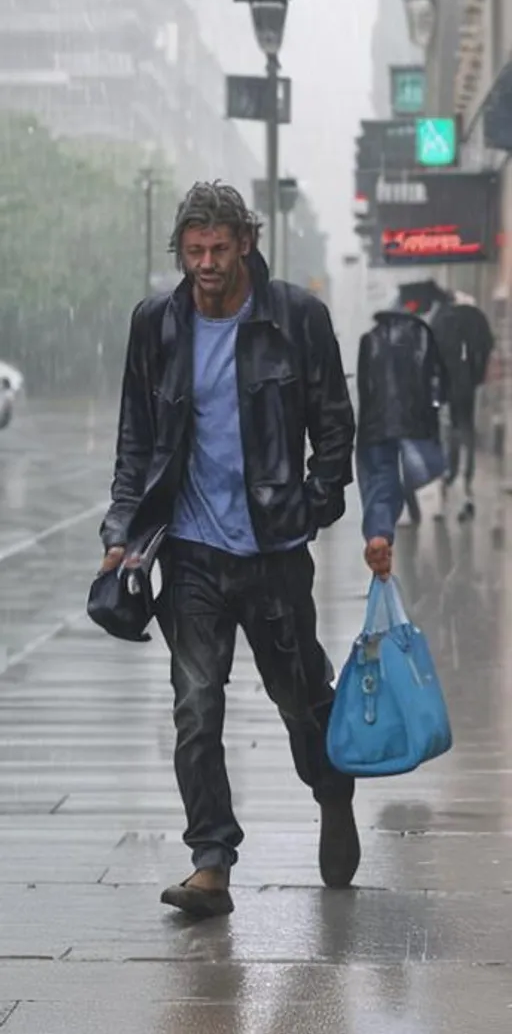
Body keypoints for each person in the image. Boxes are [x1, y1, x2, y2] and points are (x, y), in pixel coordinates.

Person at [100, 181, 357, 918]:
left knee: (301, 700)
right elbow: (136, 439)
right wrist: (122, 531)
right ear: (180, 249)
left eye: (218, 248)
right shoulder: (157, 323)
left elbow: (334, 425)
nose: (206, 263)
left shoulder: (297, 319)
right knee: (196, 705)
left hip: (275, 552)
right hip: (190, 553)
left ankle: (331, 790)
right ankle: (210, 859)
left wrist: (315, 502)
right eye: (193, 249)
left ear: (246, 241)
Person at [357, 307, 445, 581]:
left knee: (382, 479)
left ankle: (379, 532)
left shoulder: (370, 339)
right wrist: (433, 415)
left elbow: (365, 387)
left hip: (376, 424)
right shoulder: (421, 337)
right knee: (417, 468)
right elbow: (438, 380)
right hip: (414, 423)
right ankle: (411, 507)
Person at [431, 300, 494, 523]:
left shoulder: (441, 323)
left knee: (450, 434)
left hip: (448, 391)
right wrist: (476, 378)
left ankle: (450, 480)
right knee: (465, 432)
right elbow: (486, 347)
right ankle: (466, 485)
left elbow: (433, 358)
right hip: (467, 389)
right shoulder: (475, 322)